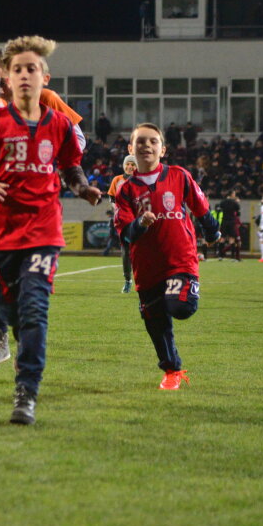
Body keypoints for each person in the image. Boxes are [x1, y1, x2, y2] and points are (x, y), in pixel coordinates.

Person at [0, 36, 102, 425]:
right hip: (0, 232)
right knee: (10, 309)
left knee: (35, 309)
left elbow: (70, 164)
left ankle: (26, 393)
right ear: (7, 76)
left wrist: (82, 187)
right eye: (16, 68)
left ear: (43, 77)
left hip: (43, 231)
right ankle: (9, 344)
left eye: (30, 68)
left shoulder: (59, 122)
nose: (23, 75)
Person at [114, 123, 219, 391]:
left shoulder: (179, 176)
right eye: (140, 141)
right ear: (130, 148)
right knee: (156, 323)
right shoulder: (125, 190)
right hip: (147, 267)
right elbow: (125, 234)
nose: (146, 146)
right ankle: (172, 371)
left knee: (180, 307)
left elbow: (200, 207)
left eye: (153, 141)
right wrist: (140, 224)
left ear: (163, 149)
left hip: (180, 259)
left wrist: (212, 231)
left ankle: (185, 289)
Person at [106, 156, 138, 290]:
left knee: (142, 251)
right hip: (124, 220)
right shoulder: (117, 180)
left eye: (133, 164)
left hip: (140, 220)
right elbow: (111, 197)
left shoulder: (141, 180)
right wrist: (117, 209)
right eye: (127, 164)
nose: (130, 167)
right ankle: (128, 279)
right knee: (126, 251)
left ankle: (145, 280)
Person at [216, 189, 242, 261]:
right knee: (232, 239)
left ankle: (220, 256)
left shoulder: (223, 202)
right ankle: (232, 257)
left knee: (222, 239)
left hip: (224, 221)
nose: (235, 195)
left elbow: (219, 209)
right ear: (232, 194)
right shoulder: (235, 203)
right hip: (231, 222)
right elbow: (238, 213)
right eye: (234, 194)